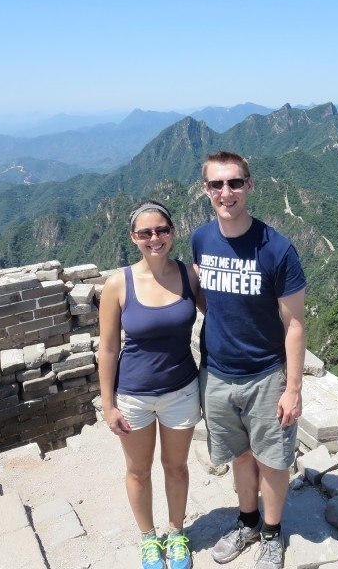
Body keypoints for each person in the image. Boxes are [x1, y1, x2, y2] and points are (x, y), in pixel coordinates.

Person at [191, 151, 306, 569]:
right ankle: (248, 522)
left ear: (249, 185)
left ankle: (273, 535)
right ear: (206, 190)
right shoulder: (201, 239)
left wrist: (293, 388)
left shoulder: (277, 249)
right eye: (217, 184)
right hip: (218, 375)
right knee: (239, 456)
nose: (227, 192)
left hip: (265, 376)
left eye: (235, 183)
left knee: (273, 460)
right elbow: (207, 297)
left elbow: (294, 324)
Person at [98, 200, 202, 569]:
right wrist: (108, 405)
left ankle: (176, 534)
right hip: (133, 396)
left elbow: (222, 316)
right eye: (146, 232)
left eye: (161, 230)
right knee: (138, 470)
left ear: (173, 233)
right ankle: (147, 538)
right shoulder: (117, 284)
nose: (154, 238)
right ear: (133, 238)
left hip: (182, 391)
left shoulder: (190, 276)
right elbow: (108, 348)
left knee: (176, 467)